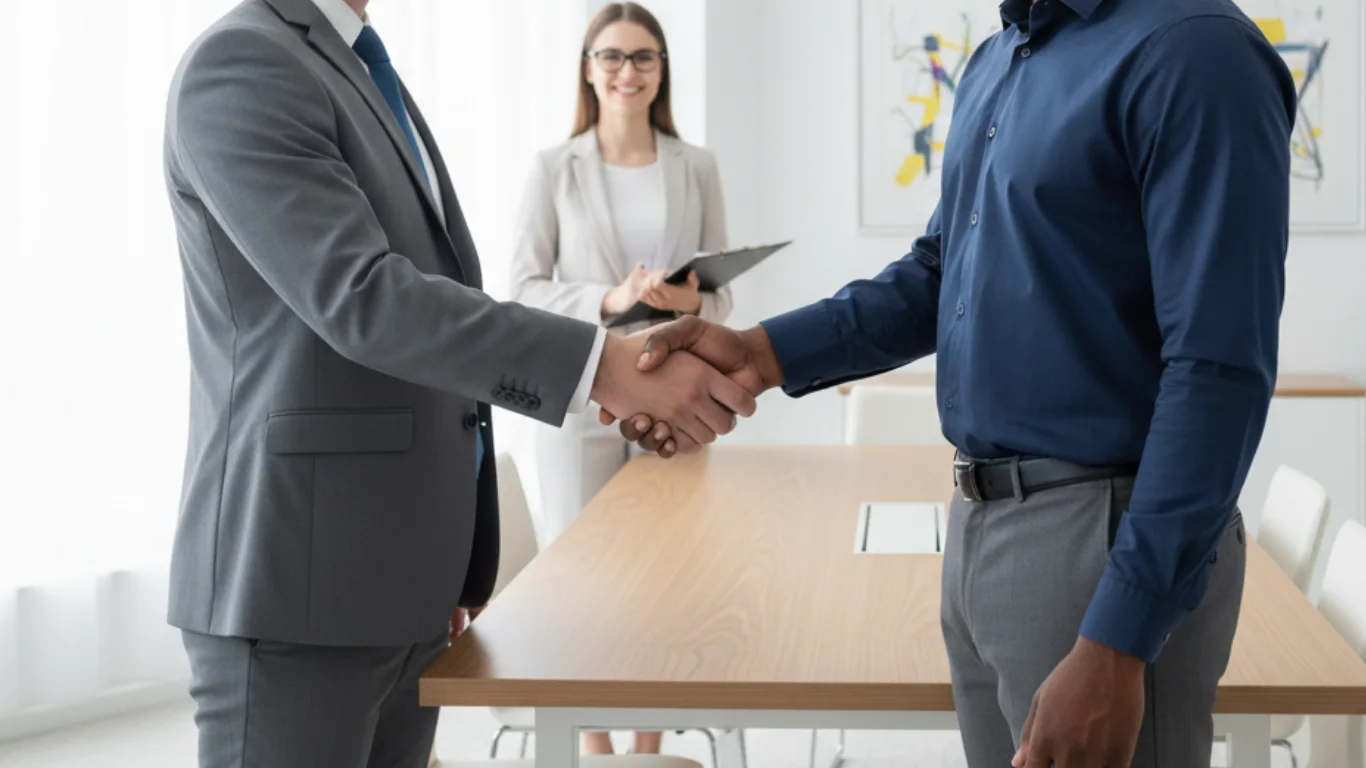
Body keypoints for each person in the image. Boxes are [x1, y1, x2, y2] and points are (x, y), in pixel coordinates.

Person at [604, 0, 1296, 765]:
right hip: (979, 527)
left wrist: (1120, 638)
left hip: (1099, 539)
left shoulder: (1195, 53)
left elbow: (1218, 369)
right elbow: (942, 271)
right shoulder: (1004, 55)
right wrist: (760, 354)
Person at [162, 0, 754, 766]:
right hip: (301, 581)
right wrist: (604, 364)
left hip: (404, 578)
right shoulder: (243, 63)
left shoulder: (362, 65)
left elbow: (434, 302)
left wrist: (459, 552)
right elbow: (365, 296)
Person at [508, 4, 729, 755]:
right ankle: (592, 746)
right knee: (583, 579)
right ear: (587, 67)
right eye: (612, 57)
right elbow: (522, 290)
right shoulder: (552, 168)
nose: (627, 72)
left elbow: (722, 293)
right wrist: (606, 300)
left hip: (674, 391)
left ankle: (646, 747)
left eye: (643, 58)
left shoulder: (696, 165)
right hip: (581, 396)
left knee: (667, 574)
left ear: (662, 70)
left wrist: (690, 300)